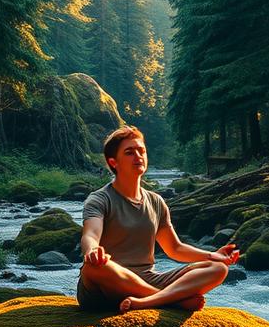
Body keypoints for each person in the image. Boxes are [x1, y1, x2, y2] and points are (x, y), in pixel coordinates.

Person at [77, 126, 240, 313]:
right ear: (114, 162)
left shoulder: (156, 201)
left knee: (218, 269)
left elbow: (175, 248)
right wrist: (92, 250)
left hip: (147, 279)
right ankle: (170, 301)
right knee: (93, 267)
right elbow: (90, 234)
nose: (138, 156)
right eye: (130, 152)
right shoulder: (99, 199)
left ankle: (149, 301)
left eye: (142, 151)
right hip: (107, 285)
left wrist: (213, 255)